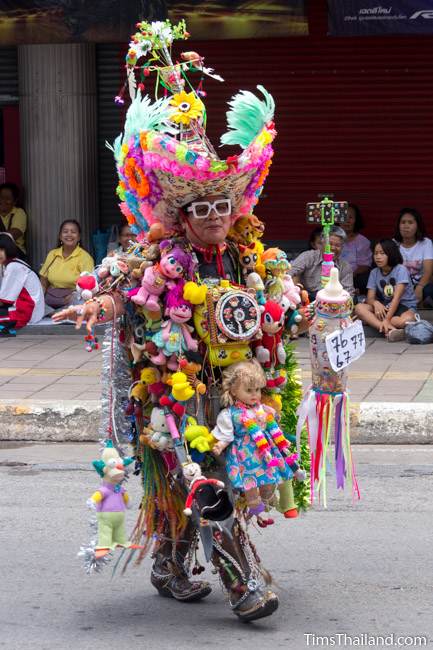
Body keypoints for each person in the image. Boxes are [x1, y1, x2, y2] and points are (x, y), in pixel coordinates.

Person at [53, 19, 303, 623]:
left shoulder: (249, 252)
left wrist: (305, 303)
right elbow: (115, 283)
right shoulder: (154, 254)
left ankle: (168, 563)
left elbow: (279, 294)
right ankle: (246, 586)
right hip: (174, 392)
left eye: (224, 204)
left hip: (240, 387)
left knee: (193, 484)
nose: (216, 216)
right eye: (203, 206)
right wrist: (98, 303)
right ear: (182, 211)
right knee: (204, 479)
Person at [355, 239, 417, 342]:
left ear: (391, 254)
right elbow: (370, 297)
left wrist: (387, 319)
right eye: (376, 253)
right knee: (359, 308)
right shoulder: (374, 272)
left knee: (405, 320)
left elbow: (396, 299)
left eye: (382, 253)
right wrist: (376, 303)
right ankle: (389, 330)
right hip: (385, 306)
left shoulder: (400, 269)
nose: (378, 257)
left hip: (404, 307)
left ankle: (380, 323)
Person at [39, 220, 94, 308]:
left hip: (74, 302)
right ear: (60, 236)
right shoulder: (52, 254)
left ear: (79, 237)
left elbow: (88, 285)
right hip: (50, 301)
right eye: (65, 232)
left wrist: (75, 296)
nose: (69, 234)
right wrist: (39, 300)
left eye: (73, 232)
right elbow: (43, 279)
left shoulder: (85, 257)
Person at [290, 226, 354, 301]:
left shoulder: (345, 266)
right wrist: (298, 289)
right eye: (330, 244)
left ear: (342, 247)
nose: (333, 248)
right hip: (307, 299)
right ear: (322, 243)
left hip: (333, 303)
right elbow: (289, 272)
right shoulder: (308, 256)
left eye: (337, 245)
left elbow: (349, 293)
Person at [0, 233, 44, 336]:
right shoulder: (12, 263)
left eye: (1, 250)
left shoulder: (13, 267)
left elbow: (5, 300)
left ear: (9, 249)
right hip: (30, 309)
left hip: (27, 311)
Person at [393, 208, 433, 307]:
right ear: (399, 226)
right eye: (403, 222)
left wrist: (419, 288)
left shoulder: (426, 243)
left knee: (429, 290)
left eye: (410, 222)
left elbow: (428, 272)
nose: (406, 226)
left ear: (417, 226)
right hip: (401, 285)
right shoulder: (393, 243)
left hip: (422, 284)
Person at [340, 203, 372, 295]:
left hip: (354, 277)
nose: (347, 221)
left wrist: (350, 274)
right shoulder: (332, 238)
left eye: (351, 217)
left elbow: (365, 266)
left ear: (356, 220)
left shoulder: (362, 241)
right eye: (344, 217)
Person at [0, 182, 27, 257]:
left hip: (16, 253)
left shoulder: (18, 213)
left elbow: (11, 236)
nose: (3, 201)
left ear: (15, 201)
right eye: (1, 197)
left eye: (8, 199)